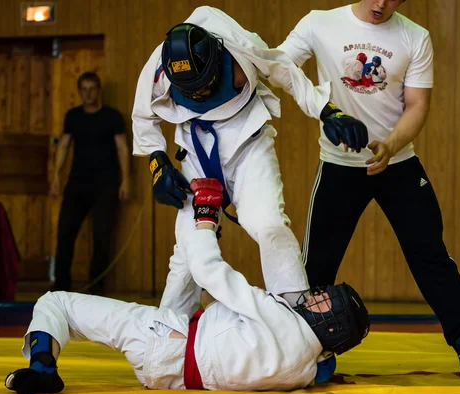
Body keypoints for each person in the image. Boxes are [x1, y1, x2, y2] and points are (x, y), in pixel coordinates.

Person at [278, 0, 460, 373]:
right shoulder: (318, 23)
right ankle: (311, 352)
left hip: (397, 163)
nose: (381, 4)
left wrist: (390, 145)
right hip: (339, 166)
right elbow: (277, 65)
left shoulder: (415, 37)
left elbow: (417, 105)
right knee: (317, 264)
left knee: (430, 253)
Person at [4, 178, 370, 394]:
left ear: (333, 325)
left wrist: (208, 219)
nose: (320, 294)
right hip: (178, 366)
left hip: (164, 340)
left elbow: (211, 274)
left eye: (328, 302)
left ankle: (43, 368)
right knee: (185, 252)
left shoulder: (283, 321)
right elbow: (324, 365)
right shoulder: (309, 369)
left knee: (56, 303)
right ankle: (191, 218)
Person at [132, 6, 368, 316]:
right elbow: (142, 118)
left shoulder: (239, 49)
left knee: (268, 224)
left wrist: (328, 110)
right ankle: (169, 333)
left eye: (204, 85)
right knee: (188, 248)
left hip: (248, 143)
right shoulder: (159, 68)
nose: (201, 94)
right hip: (195, 148)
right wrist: (158, 165)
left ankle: (297, 318)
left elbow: (285, 70)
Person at [50, 72, 130, 295]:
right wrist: (56, 176)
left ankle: (96, 290)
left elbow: (122, 148)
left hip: (106, 185)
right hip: (77, 184)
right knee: (65, 233)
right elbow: (64, 146)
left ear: (99, 90)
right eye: (84, 89)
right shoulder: (73, 116)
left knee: (102, 238)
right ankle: (60, 287)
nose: (88, 93)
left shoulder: (112, 117)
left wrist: (126, 180)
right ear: (79, 92)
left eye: (92, 88)